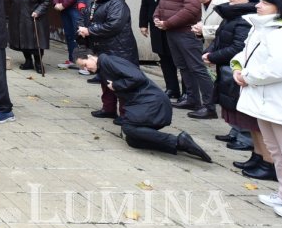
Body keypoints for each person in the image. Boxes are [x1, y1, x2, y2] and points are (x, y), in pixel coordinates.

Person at [233, 0, 282, 218]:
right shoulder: (262, 28)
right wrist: (238, 68)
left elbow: (280, 69)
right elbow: (246, 53)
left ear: (280, 7)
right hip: (266, 100)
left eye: (264, 3)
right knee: (277, 151)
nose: (257, 5)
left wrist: (248, 76)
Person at [73, 48, 211, 163]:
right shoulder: (103, 67)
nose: (87, 69)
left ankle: (179, 140)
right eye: (83, 68)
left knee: (128, 127)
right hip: (145, 104)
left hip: (153, 103)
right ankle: (178, 145)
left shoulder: (108, 61)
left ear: (91, 56)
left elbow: (137, 77)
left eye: (85, 64)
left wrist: (116, 85)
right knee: (133, 140)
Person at [153, 0, 215, 118]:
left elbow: (191, 10)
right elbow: (161, 4)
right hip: (172, 32)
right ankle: (191, 98)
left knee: (196, 68)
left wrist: (168, 23)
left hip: (186, 32)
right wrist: (156, 18)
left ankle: (209, 106)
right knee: (183, 66)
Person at [206, 0, 260, 163]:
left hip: (236, 66)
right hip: (225, 64)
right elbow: (221, 37)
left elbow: (239, 47)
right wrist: (210, 52)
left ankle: (245, 138)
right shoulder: (232, 14)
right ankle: (235, 131)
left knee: (237, 101)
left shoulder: (246, 18)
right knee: (228, 100)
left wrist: (214, 56)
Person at [77, 0, 140, 119]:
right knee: (105, 77)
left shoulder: (117, 3)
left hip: (119, 48)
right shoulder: (96, 1)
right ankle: (108, 108)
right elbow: (85, 16)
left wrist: (90, 30)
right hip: (102, 46)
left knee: (122, 80)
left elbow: (114, 25)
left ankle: (126, 115)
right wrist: (81, 27)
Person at [138, 0, 181, 100]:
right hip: (156, 26)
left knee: (176, 58)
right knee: (163, 58)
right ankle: (172, 88)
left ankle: (187, 92)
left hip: (170, 26)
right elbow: (145, 4)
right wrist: (143, 24)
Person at [7, 0, 49, 71]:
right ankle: (28, 62)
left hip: (33, 19)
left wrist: (38, 11)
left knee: (35, 42)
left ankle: (39, 63)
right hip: (18, 19)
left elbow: (46, 1)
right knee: (22, 41)